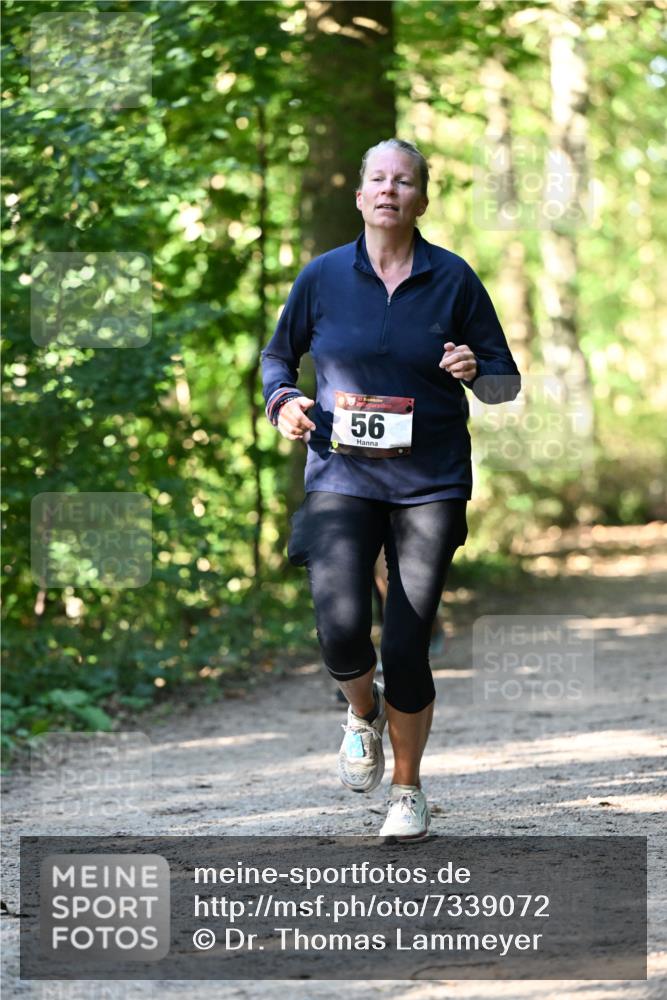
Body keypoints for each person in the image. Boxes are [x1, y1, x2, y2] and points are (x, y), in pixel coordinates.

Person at [261, 138, 520, 842]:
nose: (389, 191)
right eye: (377, 179)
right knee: (341, 627)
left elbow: (504, 380)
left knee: (406, 643)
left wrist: (475, 369)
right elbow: (278, 354)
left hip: (429, 483)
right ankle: (360, 710)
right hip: (340, 474)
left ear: (421, 199)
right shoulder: (321, 278)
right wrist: (281, 399)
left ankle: (406, 791)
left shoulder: (453, 279)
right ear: (358, 195)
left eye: (403, 181)